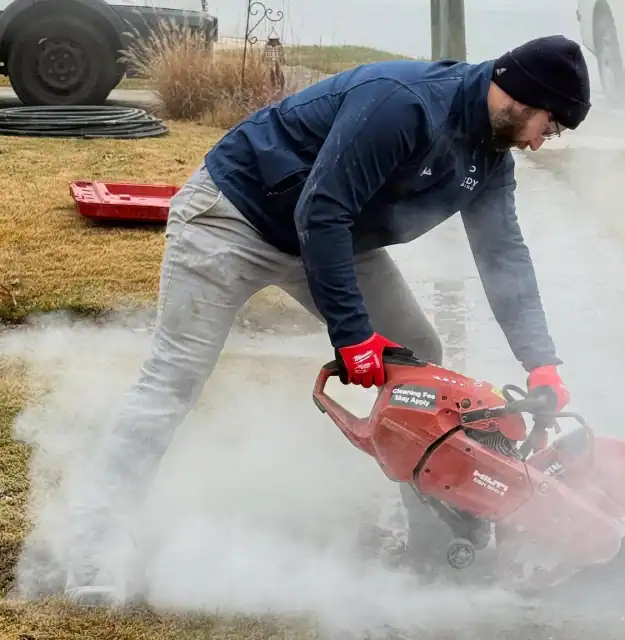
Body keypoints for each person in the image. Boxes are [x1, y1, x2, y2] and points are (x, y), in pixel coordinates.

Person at [62, 33, 591, 603]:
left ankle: (437, 543)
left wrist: (541, 361)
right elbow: (323, 208)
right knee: (172, 380)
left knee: (419, 360)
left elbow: (503, 254)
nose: (540, 142)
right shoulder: (403, 103)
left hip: (334, 237)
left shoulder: (489, 157)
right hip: (233, 217)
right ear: (523, 94)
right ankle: (93, 548)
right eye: (551, 125)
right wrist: (353, 336)